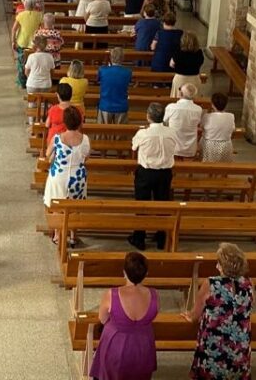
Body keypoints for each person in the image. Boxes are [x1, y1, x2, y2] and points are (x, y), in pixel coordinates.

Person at [184, 243, 254, 379]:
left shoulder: (211, 284)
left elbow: (195, 315)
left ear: (223, 265)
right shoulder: (249, 284)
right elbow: (248, 306)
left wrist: (189, 316)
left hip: (214, 347)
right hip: (239, 348)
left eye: (219, 263)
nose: (216, 266)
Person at [89, 252, 159, 380]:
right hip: (143, 346)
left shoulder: (112, 295)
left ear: (124, 272)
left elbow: (102, 318)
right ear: (146, 274)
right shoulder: (154, 295)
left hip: (116, 343)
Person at [129, 103, 179, 250]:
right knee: (162, 204)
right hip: (164, 172)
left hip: (146, 172)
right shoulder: (171, 132)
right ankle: (161, 236)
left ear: (148, 117)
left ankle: (139, 238)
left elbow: (133, 147)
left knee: (142, 205)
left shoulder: (143, 133)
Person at [42, 106, 91, 245]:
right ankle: (73, 235)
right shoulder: (85, 139)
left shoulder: (58, 138)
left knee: (58, 205)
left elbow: (47, 154)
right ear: (80, 121)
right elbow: (86, 157)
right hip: (78, 178)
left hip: (59, 176)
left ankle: (58, 234)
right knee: (75, 207)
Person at [165, 83, 204, 159]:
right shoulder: (198, 109)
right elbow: (198, 123)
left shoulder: (171, 107)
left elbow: (164, 122)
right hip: (190, 148)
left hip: (173, 147)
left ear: (181, 94)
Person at [12, 0, 44, 86]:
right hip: (34, 44)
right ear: (34, 5)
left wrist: (13, 41)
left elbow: (14, 29)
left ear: (25, 5)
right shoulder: (39, 15)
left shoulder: (20, 15)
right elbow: (42, 29)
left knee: (21, 63)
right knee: (32, 63)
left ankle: (22, 82)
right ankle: (31, 80)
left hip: (22, 42)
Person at [97, 46, 132, 123]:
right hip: (121, 105)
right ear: (122, 58)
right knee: (120, 133)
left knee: (103, 132)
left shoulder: (102, 70)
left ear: (111, 58)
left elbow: (98, 80)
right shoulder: (128, 72)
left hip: (105, 105)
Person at [44, 83, 85, 150]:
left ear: (58, 95)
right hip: (72, 143)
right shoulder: (77, 110)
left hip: (54, 143)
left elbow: (47, 125)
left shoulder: (53, 109)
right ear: (71, 95)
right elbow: (80, 126)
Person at [24, 36, 55, 122]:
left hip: (32, 84)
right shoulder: (49, 57)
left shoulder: (31, 56)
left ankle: (32, 123)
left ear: (35, 45)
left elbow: (26, 72)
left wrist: (31, 78)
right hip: (46, 85)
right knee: (44, 105)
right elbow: (52, 72)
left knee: (32, 104)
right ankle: (42, 122)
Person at [201, 92, 236, 162]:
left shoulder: (207, 116)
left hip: (209, 146)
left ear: (213, 105)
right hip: (225, 145)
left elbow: (202, 128)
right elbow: (233, 129)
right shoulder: (231, 116)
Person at [170, 31, 205, 97]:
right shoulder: (199, 53)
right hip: (194, 79)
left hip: (180, 79)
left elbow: (171, 64)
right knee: (194, 100)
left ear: (182, 41)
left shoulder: (178, 52)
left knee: (177, 100)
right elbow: (201, 63)